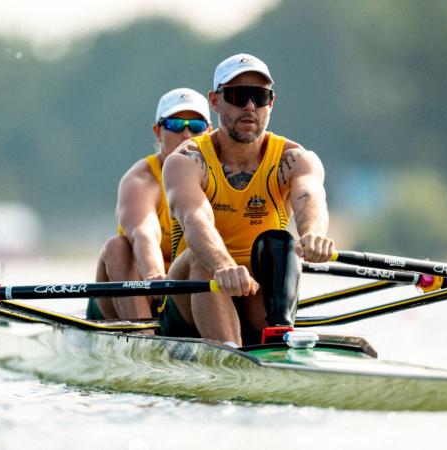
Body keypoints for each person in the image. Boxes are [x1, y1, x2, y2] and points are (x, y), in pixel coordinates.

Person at [161, 54, 335, 346]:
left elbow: (310, 195)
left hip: (256, 293)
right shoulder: (187, 161)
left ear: (271, 103)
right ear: (215, 101)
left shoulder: (294, 158)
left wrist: (314, 235)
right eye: (239, 96)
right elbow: (195, 219)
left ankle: (279, 339)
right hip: (193, 297)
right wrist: (223, 265)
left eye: (259, 96)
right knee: (200, 259)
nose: (250, 107)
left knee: (281, 242)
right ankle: (233, 357)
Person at [87, 88, 211, 322]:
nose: (186, 134)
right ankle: (142, 335)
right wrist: (155, 277)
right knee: (117, 247)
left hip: (182, 291)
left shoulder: (221, 176)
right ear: (158, 131)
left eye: (195, 126)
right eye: (175, 125)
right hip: (138, 291)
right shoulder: (141, 180)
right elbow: (144, 234)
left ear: (209, 132)